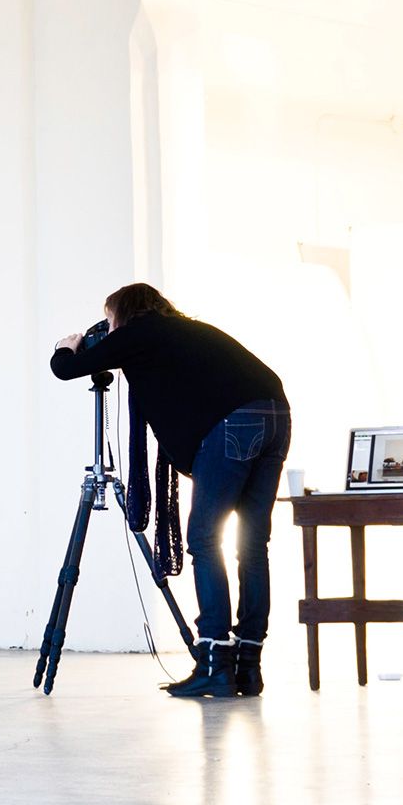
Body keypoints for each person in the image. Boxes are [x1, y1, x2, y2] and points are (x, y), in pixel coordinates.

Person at [50, 283, 289, 699]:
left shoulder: (138, 332)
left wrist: (66, 346)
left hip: (237, 422)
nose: (107, 328)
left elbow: (67, 368)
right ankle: (248, 666)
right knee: (253, 544)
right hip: (276, 415)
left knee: (205, 538)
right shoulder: (186, 331)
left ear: (124, 313)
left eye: (108, 319)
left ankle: (214, 662)